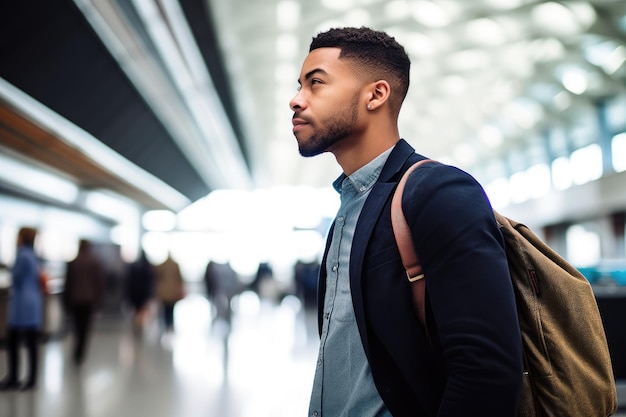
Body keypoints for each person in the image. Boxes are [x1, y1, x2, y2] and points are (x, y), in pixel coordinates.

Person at [290, 27, 523, 416]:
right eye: (300, 85)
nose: (296, 100)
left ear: (376, 95)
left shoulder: (437, 192)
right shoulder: (349, 207)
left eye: (316, 84)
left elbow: (487, 372)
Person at [0, 227, 42, 390]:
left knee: (13, 340)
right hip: (33, 302)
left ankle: (13, 377)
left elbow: (16, 276)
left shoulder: (22, 254)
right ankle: (31, 379)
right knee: (31, 343)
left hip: (22, 303)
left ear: (22, 238)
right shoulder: (33, 255)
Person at [63, 239, 105, 365]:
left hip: (75, 300)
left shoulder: (73, 262)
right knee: (85, 328)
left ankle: (76, 350)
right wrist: (98, 301)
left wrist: (66, 301)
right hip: (89, 300)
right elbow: (99, 284)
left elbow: (68, 283)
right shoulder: (95, 263)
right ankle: (80, 352)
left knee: (76, 326)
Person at [154, 253, 185, 333]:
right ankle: (170, 325)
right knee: (171, 309)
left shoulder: (162, 265)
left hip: (164, 292)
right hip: (172, 291)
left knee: (166, 309)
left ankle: (167, 325)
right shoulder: (175, 265)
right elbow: (180, 279)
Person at [125, 250, 155, 332]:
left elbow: (129, 281)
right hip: (143, 293)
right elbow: (150, 282)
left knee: (136, 310)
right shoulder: (148, 267)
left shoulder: (133, 266)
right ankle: (139, 325)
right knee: (141, 310)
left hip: (134, 293)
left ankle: (136, 324)